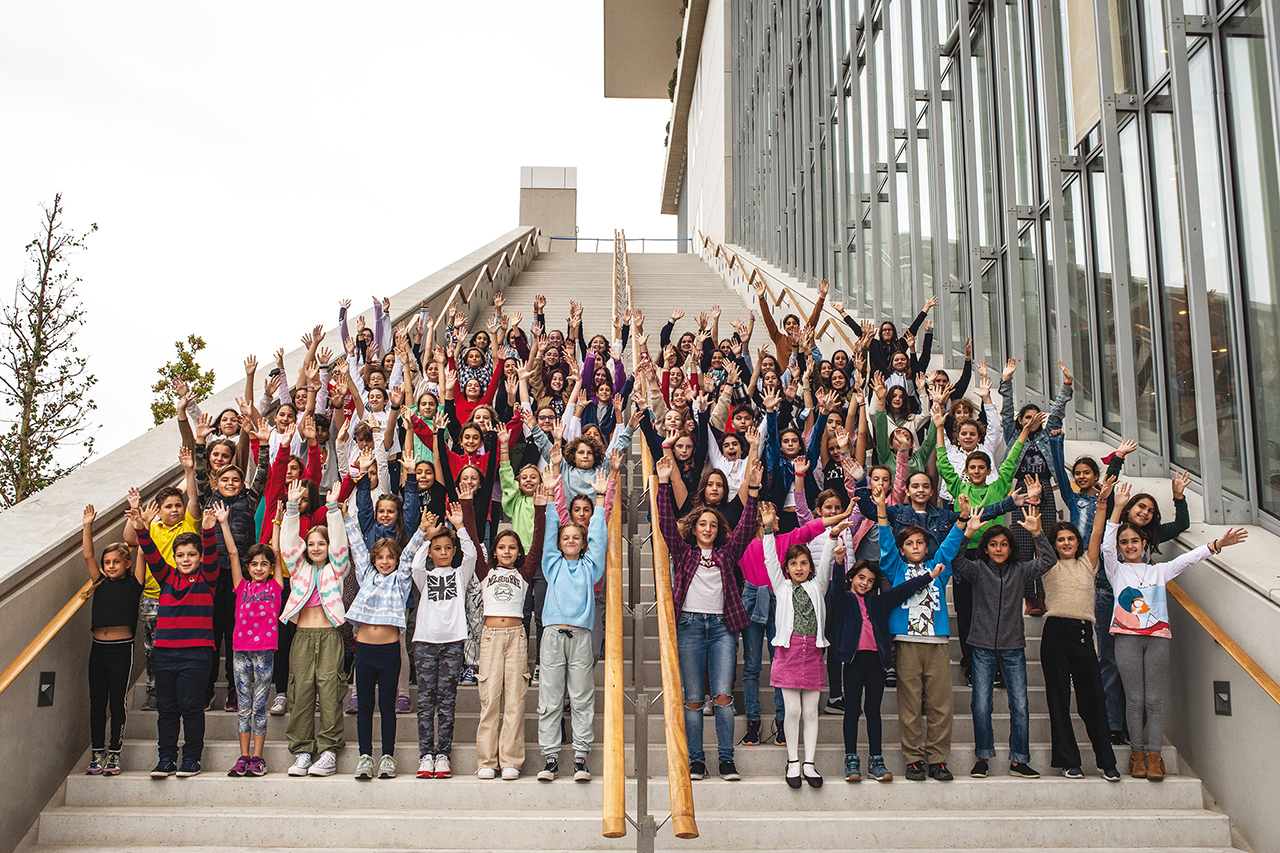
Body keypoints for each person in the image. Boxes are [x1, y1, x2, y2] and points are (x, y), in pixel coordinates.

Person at [1101, 482, 1247, 780]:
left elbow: (1187, 559)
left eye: (1135, 542)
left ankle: (1155, 756)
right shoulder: (1116, 569)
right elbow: (1105, 544)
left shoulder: (1159, 570)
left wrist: (1217, 544)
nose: (1129, 545)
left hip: (1157, 640)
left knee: (1154, 700)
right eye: (1124, 542)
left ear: (1145, 545)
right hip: (1126, 639)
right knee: (1134, 699)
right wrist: (1117, 507)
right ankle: (1137, 754)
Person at [657, 456, 762, 782]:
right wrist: (662, 485)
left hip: (721, 629)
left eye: (712, 525)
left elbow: (745, 527)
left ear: (718, 531)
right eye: (702, 524)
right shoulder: (684, 553)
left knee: (722, 697)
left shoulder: (727, 553)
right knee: (691, 700)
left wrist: (754, 491)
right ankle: (697, 761)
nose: (707, 528)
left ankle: (727, 760)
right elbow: (664, 524)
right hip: (689, 626)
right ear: (695, 528)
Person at [826, 527, 942, 784]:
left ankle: (876, 760)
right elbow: (834, 591)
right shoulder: (844, 599)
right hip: (854, 661)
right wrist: (837, 563)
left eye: (870, 580)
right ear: (852, 578)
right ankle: (851, 759)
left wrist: (928, 576)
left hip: (876, 663)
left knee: (873, 711)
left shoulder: (878, 602)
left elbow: (902, 591)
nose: (865, 583)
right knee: (852, 710)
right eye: (860, 578)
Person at [952, 506, 1056, 780]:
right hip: (982, 647)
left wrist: (1038, 533)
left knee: (1020, 704)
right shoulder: (977, 570)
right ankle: (982, 757)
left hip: (1013, 648)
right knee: (981, 704)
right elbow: (956, 561)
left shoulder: (1020, 571)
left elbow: (1048, 561)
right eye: (994, 545)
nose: (999, 549)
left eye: (1004, 544)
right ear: (985, 549)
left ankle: (1019, 760)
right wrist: (968, 531)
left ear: (1011, 549)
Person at [875, 485, 966, 782]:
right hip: (906, 643)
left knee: (941, 704)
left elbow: (951, 546)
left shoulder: (938, 567)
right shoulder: (896, 568)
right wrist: (880, 511)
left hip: (936, 642)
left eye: (920, 543)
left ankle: (938, 759)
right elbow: (886, 546)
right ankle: (914, 759)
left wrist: (962, 520)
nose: (915, 547)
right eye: (910, 544)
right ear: (904, 550)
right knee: (910, 704)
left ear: (927, 548)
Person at [343, 491, 430, 781]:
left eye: (389, 557)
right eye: (379, 557)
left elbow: (409, 555)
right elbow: (356, 547)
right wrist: (345, 516)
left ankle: (388, 757)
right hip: (365, 651)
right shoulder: (366, 575)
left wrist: (421, 530)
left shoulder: (401, 578)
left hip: (390, 651)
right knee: (365, 706)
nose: (385, 561)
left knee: (387, 707)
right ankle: (365, 756)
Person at [463, 482, 547, 780]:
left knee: (514, 701)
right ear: (495, 552)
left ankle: (511, 759)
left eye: (512, 547)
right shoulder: (485, 572)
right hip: (490, 639)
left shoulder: (524, 574)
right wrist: (467, 503)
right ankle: (487, 761)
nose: (507, 551)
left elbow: (537, 544)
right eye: (502, 547)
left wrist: (540, 509)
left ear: (518, 552)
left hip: (516, 638)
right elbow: (473, 541)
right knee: (489, 701)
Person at [1041, 478, 1121, 781]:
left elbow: (1098, 535)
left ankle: (1106, 761)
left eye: (1070, 539)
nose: (1065, 543)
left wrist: (1103, 504)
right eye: (1060, 539)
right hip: (1055, 633)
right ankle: (1068, 760)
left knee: (1093, 698)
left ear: (1077, 542)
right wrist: (1037, 524)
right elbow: (1040, 540)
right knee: (1058, 697)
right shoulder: (1048, 565)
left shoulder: (1088, 563)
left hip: (1084, 634)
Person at [133, 504, 220, 779]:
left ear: (199, 557)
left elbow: (212, 555)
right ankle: (166, 758)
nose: (185, 559)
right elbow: (150, 551)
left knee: (191, 707)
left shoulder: (207, 578)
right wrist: (139, 525)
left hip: (196, 654)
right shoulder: (167, 577)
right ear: (174, 558)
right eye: (180, 555)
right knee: (167, 709)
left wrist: (207, 529)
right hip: (165, 654)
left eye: (191, 555)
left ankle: (192, 758)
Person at [759, 503, 841, 788]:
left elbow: (827, 561)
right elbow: (770, 560)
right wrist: (768, 528)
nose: (799, 567)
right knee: (792, 711)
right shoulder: (781, 587)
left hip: (813, 651)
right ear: (787, 568)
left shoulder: (818, 586)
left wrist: (832, 538)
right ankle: (793, 760)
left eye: (804, 563)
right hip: (788, 651)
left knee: (810, 711)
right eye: (793, 563)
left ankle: (810, 762)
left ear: (810, 567)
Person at [536, 470, 609, 783]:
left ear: (582, 542)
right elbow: (549, 533)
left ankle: (581, 758)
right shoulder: (551, 565)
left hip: (580, 636)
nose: (570, 541)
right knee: (550, 698)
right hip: (552, 635)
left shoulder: (591, 567)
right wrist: (553, 496)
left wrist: (602, 500)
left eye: (576, 538)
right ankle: (550, 757)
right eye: (566, 538)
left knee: (581, 698)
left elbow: (600, 538)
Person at [279, 480, 351, 778]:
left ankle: (329, 751)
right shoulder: (299, 569)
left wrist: (333, 509)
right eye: (312, 544)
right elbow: (287, 544)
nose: (316, 547)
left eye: (321, 543)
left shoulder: (336, 568)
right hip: (303, 638)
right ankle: (303, 752)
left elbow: (340, 545)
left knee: (330, 689)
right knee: (301, 692)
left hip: (330, 636)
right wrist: (292, 508)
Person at [409, 492, 479, 780]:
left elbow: (472, 554)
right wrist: (425, 535)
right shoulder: (424, 576)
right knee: (425, 701)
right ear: (431, 552)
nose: (442, 552)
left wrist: (460, 527)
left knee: (447, 701)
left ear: (452, 551)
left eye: (447, 548)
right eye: (437, 549)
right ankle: (426, 754)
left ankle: (443, 755)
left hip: (451, 644)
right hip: (425, 644)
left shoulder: (459, 576)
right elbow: (413, 565)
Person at [81, 504, 147, 776]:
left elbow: (143, 550)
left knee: (116, 701)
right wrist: (87, 526)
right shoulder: (100, 582)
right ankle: (97, 752)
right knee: (97, 703)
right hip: (98, 650)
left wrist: (142, 523)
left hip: (121, 650)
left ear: (127, 563)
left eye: (116, 562)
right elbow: (88, 555)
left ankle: (114, 753)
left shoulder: (134, 584)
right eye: (107, 562)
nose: (110, 566)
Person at [224, 513, 282, 778]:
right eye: (254, 564)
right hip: (240, 651)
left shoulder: (276, 587)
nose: (259, 568)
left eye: (264, 564)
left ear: (271, 567)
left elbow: (277, 552)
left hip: (264, 653)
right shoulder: (241, 586)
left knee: (260, 705)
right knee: (244, 705)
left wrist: (277, 525)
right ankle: (243, 756)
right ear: (248, 567)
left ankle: (258, 758)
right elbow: (233, 553)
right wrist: (225, 523)